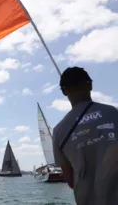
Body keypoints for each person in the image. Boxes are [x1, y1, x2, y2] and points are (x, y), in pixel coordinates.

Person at [52, 67, 118, 205]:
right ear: (90, 85)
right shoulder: (113, 113)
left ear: (64, 91)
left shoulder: (58, 131)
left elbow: (71, 181)